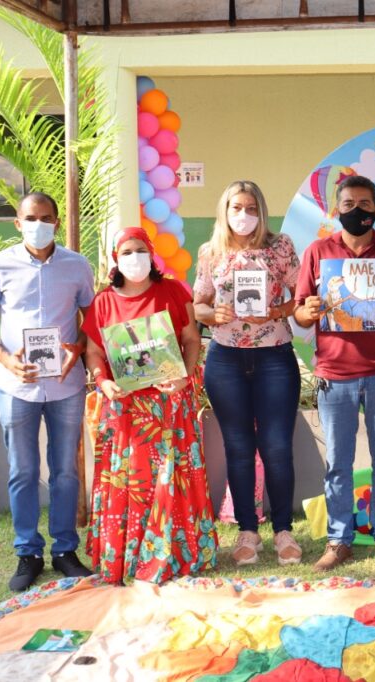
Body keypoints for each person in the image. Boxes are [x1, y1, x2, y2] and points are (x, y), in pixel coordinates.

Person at [0, 191, 94, 592]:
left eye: (45, 218)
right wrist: (7, 360)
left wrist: (78, 347)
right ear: (17, 223)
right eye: (30, 218)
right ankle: (28, 553)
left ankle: (65, 551)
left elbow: (92, 319)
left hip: (66, 385)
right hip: (16, 386)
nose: (38, 225)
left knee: (65, 471)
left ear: (56, 222)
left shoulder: (78, 266)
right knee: (22, 471)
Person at [294, 175, 375, 572]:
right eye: (348, 204)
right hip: (334, 374)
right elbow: (299, 312)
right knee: (337, 462)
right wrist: (308, 311)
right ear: (336, 209)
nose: (356, 211)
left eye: (365, 204)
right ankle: (338, 540)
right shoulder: (317, 251)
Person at [83, 227, 217, 584]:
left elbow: (191, 339)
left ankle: (176, 552)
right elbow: (93, 352)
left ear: (152, 253)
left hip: (170, 402)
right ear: (116, 258)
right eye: (126, 252)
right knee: (132, 480)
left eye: (140, 250)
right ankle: (128, 556)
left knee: (172, 476)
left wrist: (184, 376)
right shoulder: (103, 302)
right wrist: (103, 381)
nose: (134, 258)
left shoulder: (173, 291)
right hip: (126, 409)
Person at [194, 180, 303, 567]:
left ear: (261, 211)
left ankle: (284, 531)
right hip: (226, 360)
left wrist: (275, 311)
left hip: (275, 357)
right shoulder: (211, 252)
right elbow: (198, 305)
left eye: (251, 208)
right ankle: (247, 532)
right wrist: (213, 314)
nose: (244, 215)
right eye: (236, 208)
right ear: (224, 211)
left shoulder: (280, 246)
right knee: (238, 448)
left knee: (277, 447)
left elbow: (301, 296)